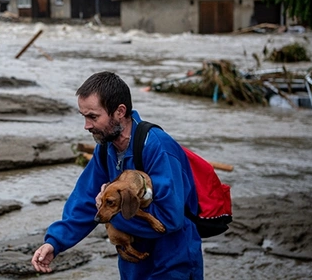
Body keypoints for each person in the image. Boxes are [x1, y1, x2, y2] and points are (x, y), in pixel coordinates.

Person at [31, 71, 203, 279]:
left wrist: (111, 215)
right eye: (84, 116)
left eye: (93, 116)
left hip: (173, 262)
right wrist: (54, 242)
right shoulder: (106, 149)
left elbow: (169, 219)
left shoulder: (157, 147)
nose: (86, 125)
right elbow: (86, 200)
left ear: (120, 111)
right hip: (133, 264)